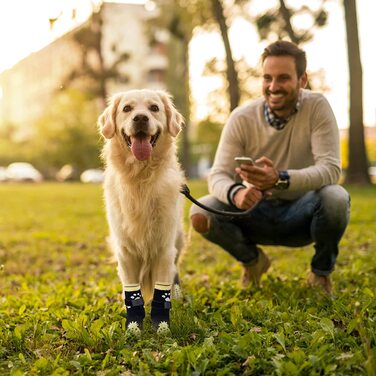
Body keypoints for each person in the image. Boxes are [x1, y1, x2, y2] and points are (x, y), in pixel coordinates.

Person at [190, 40, 350, 295]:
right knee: (201, 213)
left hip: (302, 214)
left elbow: (331, 169)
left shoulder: (317, 107)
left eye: (283, 78)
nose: (273, 87)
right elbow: (218, 174)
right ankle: (253, 262)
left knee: (336, 198)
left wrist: (280, 178)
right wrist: (237, 193)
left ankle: (320, 274)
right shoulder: (241, 117)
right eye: (267, 78)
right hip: (254, 213)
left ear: (302, 79)